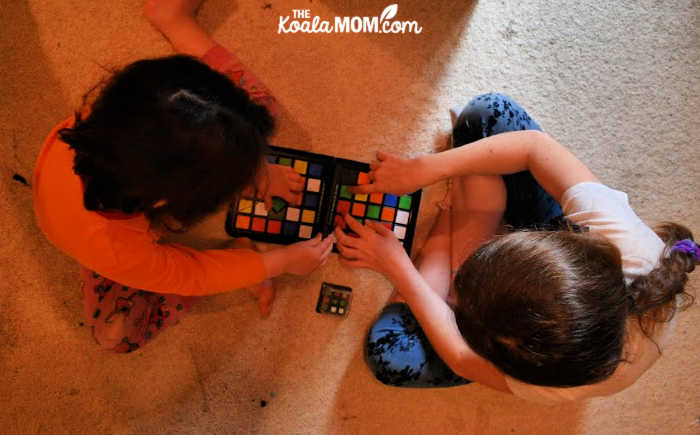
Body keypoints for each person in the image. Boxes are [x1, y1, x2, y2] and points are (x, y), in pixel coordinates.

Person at [335, 93, 697, 402]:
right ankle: (469, 216)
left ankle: (456, 222)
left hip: (539, 337)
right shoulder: (618, 235)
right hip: (565, 272)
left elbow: (462, 358)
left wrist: (399, 266)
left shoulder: (556, 382)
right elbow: (533, 148)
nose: (458, 294)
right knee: (487, 112)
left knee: (390, 355)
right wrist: (425, 169)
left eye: (460, 299)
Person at [33, 0, 334, 353]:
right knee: (116, 335)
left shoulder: (105, 123)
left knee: (251, 113)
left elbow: (190, 122)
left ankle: (173, 21)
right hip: (113, 249)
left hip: (131, 194)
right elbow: (194, 275)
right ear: (167, 202)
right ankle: (173, 23)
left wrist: (259, 167)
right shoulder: (120, 253)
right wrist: (277, 262)